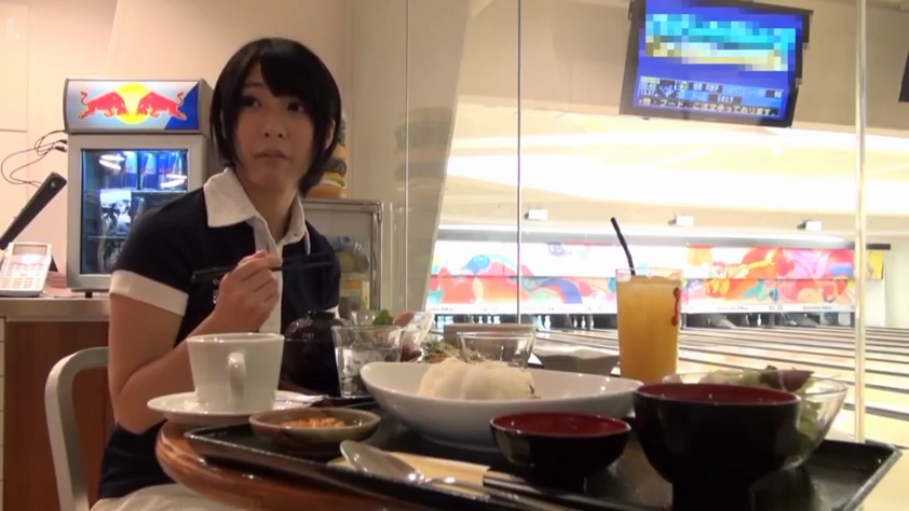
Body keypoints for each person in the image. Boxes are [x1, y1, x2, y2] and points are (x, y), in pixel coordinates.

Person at [92, 37, 345, 511]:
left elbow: (310, 393)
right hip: (162, 483)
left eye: (295, 107)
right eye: (252, 103)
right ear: (227, 121)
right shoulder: (166, 235)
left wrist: (374, 355)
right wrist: (224, 323)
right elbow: (130, 407)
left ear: (325, 132)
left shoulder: (319, 256)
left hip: (277, 482)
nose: (273, 127)